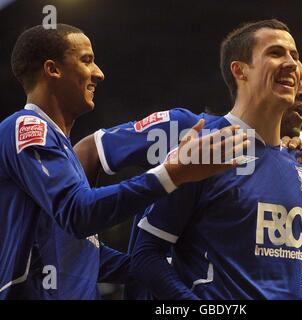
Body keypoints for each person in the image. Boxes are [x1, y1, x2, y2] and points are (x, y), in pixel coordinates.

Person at [0, 24, 247, 299]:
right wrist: (172, 173)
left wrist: (166, 265)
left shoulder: (59, 146)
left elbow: (81, 254)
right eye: (87, 60)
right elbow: (78, 213)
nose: (99, 73)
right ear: (53, 70)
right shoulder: (27, 127)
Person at [131, 19, 302, 299]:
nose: (291, 63)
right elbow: (145, 255)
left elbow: (297, 268)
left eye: (295, 55)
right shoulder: (202, 148)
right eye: (276, 53)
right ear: (240, 70)